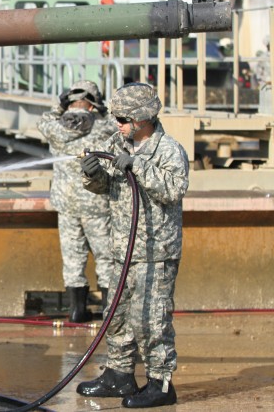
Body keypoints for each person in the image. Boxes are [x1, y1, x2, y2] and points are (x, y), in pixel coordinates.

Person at [77, 82, 189, 408]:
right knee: (118, 315)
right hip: (123, 250)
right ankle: (119, 375)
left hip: (156, 252)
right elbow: (103, 186)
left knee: (150, 320)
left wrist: (137, 166)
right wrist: (92, 175)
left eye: (123, 118)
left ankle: (160, 384)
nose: (118, 123)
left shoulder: (168, 150)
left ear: (142, 118)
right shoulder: (116, 143)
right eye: (116, 117)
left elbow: (173, 189)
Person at [36, 80, 117, 323]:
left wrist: (59, 109)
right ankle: (108, 311)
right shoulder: (103, 127)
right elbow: (120, 124)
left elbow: (43, 120)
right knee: (105, 257)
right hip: (96, 203)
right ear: (93, 103)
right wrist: (102, 109)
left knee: (73, 257)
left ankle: (77, 311)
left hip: (66, 204)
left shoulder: (53, 127)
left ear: (68, 102)